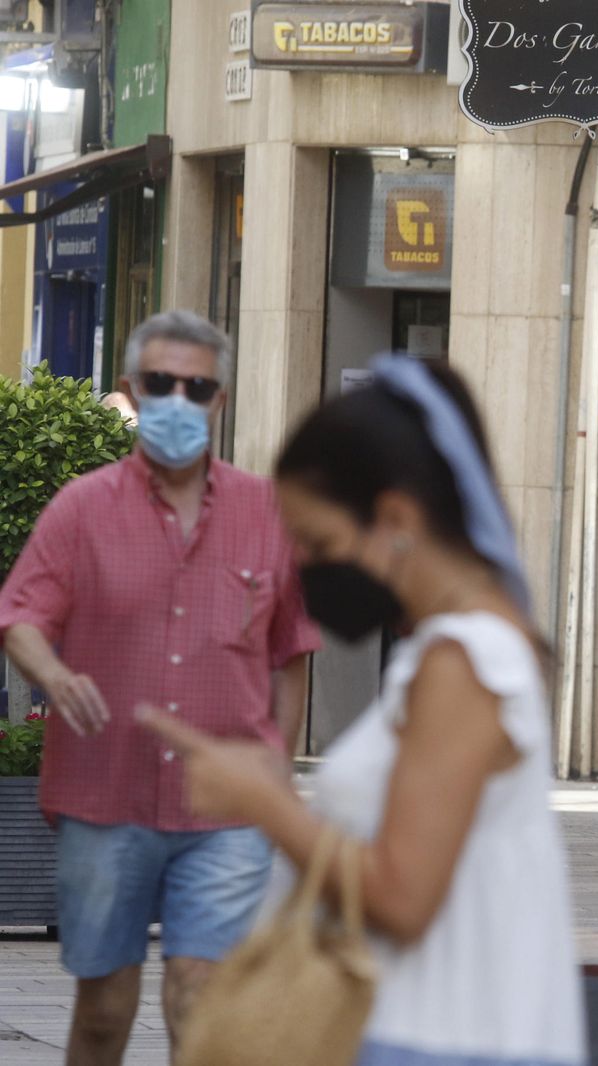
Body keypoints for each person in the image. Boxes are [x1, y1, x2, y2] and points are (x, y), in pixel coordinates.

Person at [139, 355, 586, 1066]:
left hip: (443, 1041)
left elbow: (402, 899)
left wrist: (264, 800)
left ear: (396, 518)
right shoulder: (463, 647)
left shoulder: (465, 660)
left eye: (319, 544)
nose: (306, 569)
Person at [0, 310, 321, 1066]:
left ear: (220, 400)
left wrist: (273, 772)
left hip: (225, 811)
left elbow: (291, 654)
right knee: (105, 1011)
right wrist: (53, 674)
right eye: (161, 383)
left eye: (197, 387)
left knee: (200, 999)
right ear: (131, 390)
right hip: (104, 799)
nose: (179, 400)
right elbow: (19, 615)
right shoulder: (82, 508)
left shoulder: (266, 513)